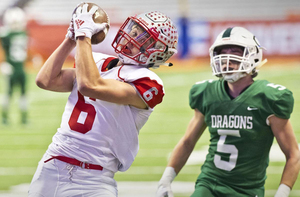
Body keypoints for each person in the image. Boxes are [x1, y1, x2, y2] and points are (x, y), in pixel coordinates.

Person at [28, 3, 178, 197]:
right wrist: (71, 38)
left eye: (142, 37)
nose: (132, 36)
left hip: (95, 178)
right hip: (52, 165)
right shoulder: (98, 62)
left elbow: (90, 86)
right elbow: (45, 80)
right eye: (134, 30)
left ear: (157, 51)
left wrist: (84, 34)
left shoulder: (148, 82)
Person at [156, 27, 300, 197]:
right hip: (209, 182)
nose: (226, 58)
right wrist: (166, 179)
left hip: (247, 189)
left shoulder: (269, 98)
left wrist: (282, 193)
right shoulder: (206, 92)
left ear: (252, 55)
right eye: (222, 52)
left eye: (235, 52)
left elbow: (293, 154)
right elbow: (188, 142)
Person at [0, 7, 29, 124]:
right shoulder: (21, 33)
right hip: (14, 67)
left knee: (19, 93)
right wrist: (2, 63)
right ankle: (7, 117)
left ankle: (20, 118)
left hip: (18, 67)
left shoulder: (7, 34)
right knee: (12, 93)